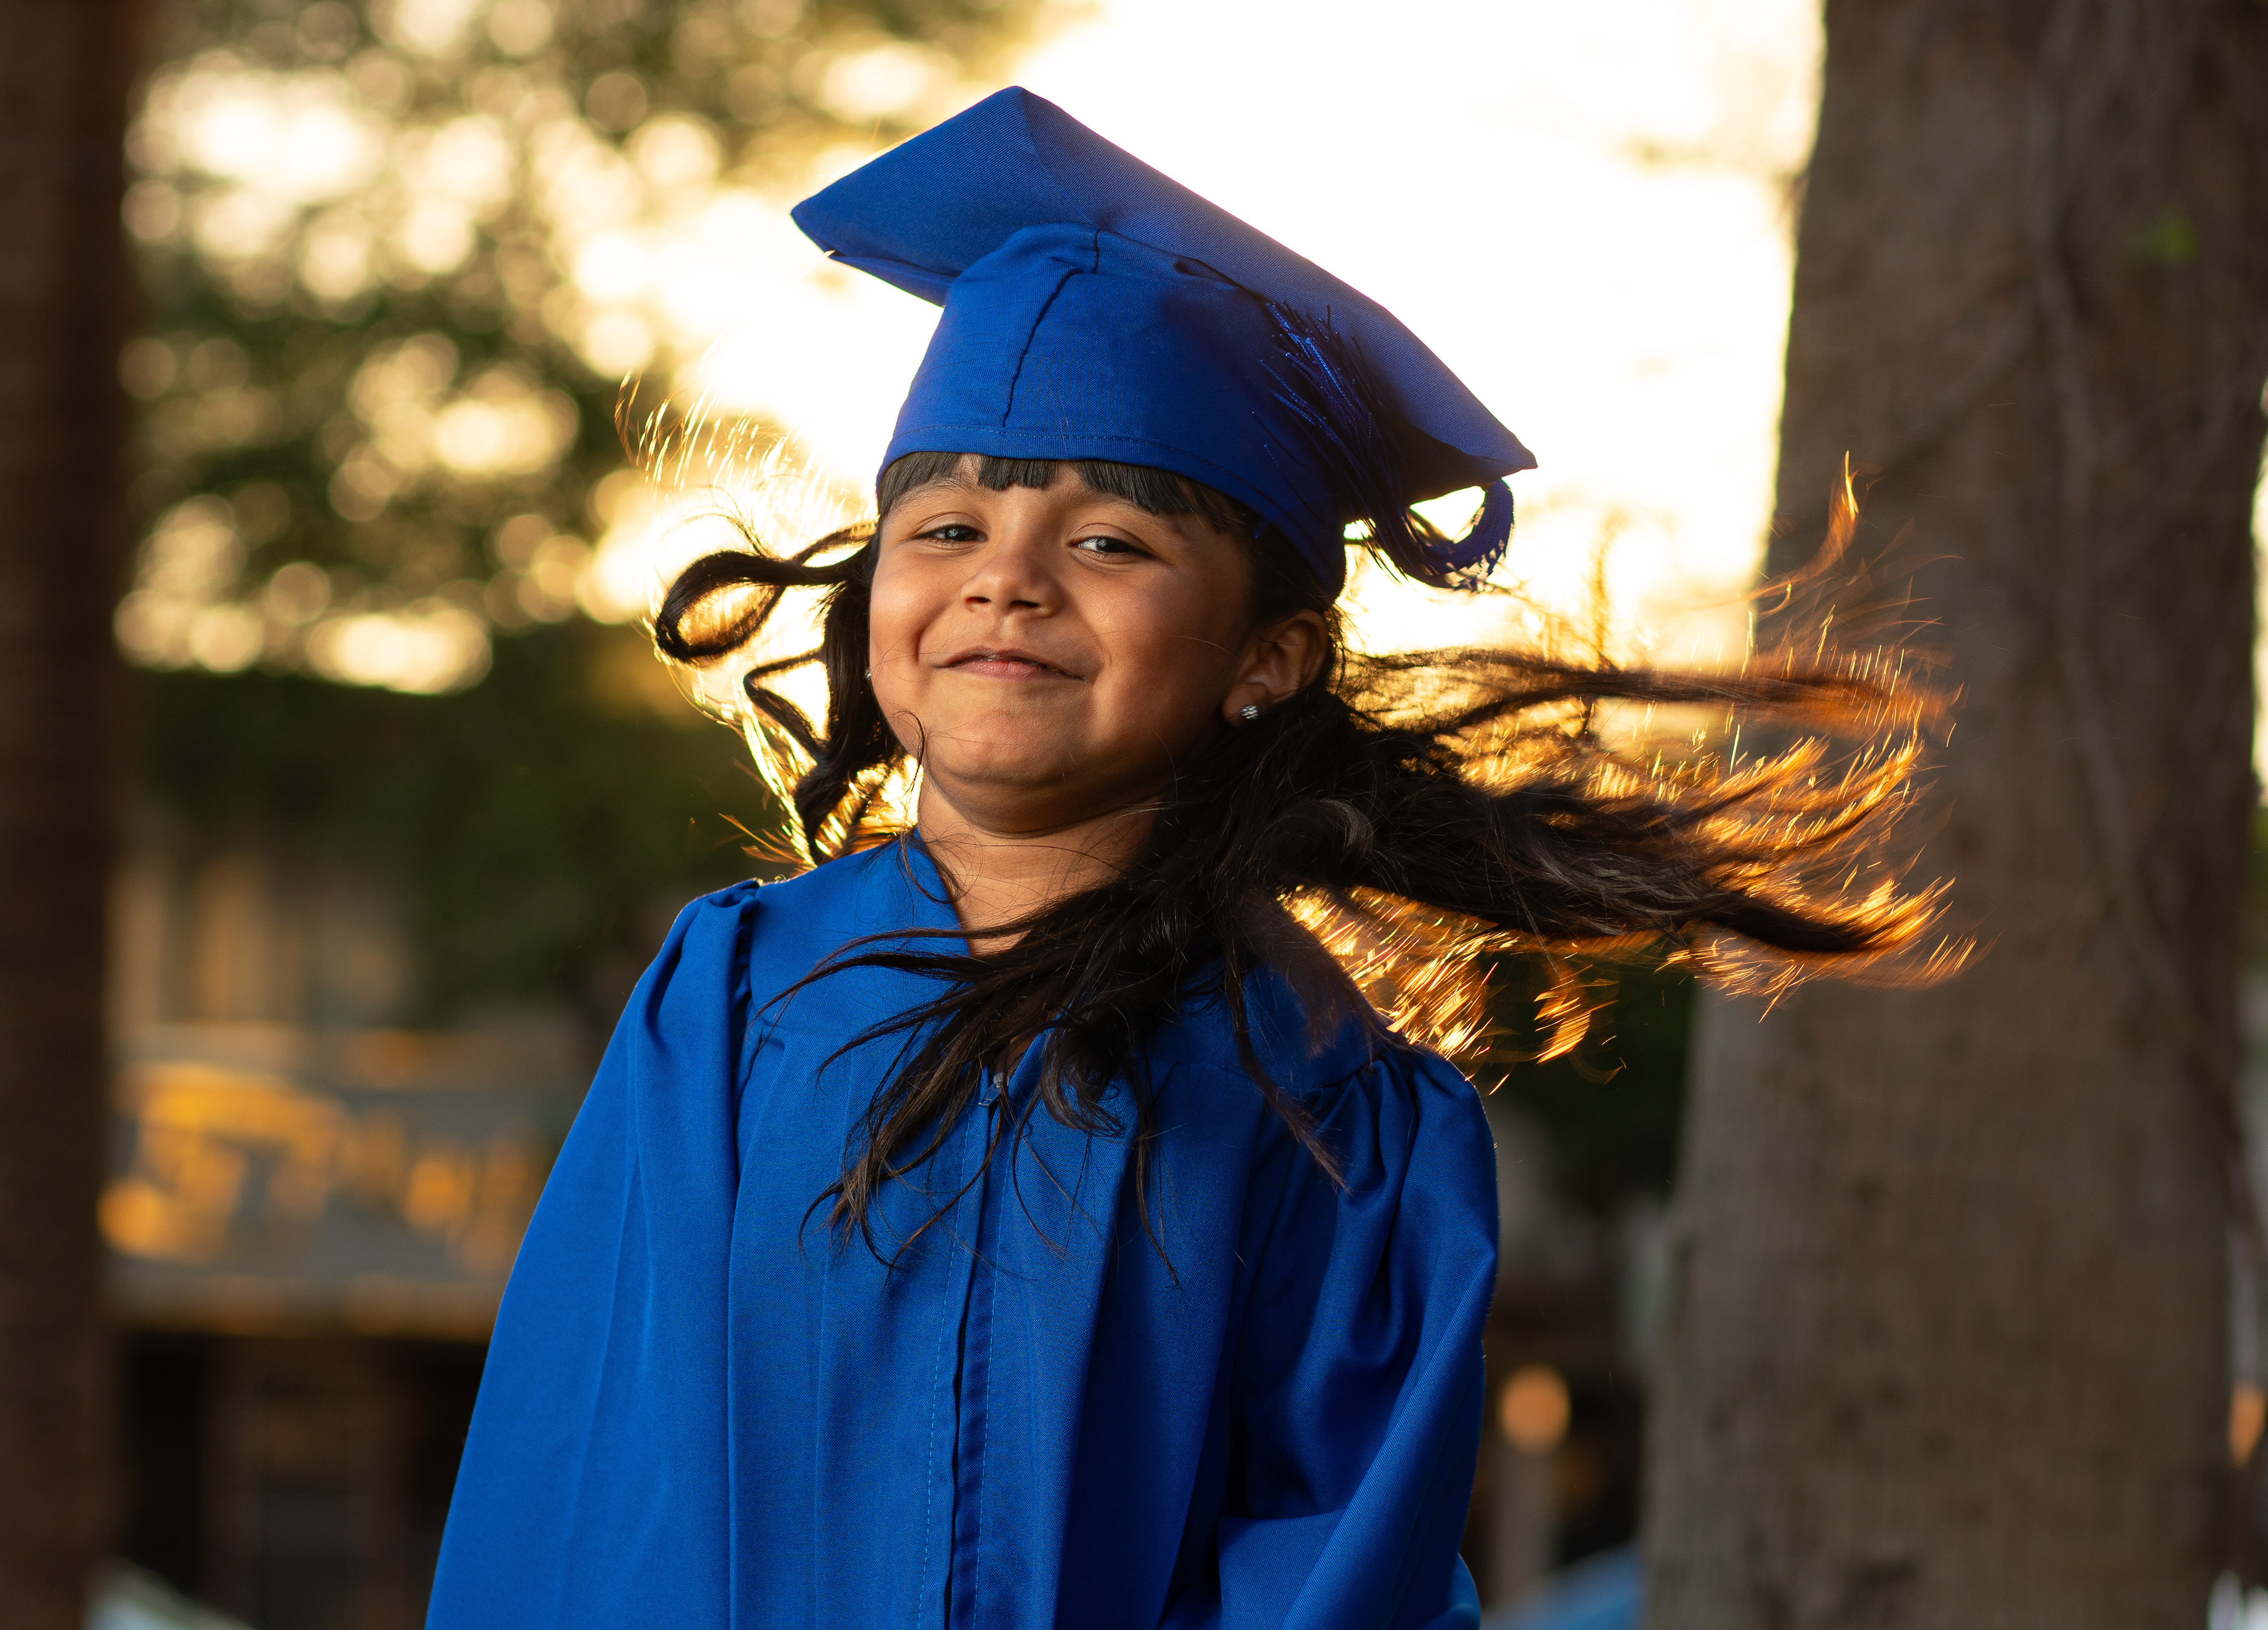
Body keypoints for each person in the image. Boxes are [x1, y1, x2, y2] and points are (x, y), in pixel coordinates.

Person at [425, 89, 1934, 1629]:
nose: (1008, 579)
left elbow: (1332, 1573)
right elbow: (580, 1489)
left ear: (1265, 659)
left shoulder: (1326, 1094)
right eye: (945, 528)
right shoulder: (733, 1000)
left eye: (1111, 543)